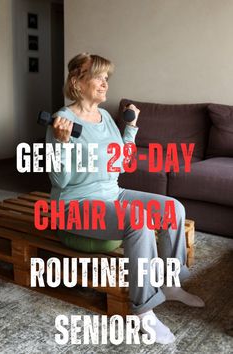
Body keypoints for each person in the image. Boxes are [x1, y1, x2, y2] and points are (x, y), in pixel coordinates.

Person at [46, 53, 204, 345]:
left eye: (108, 77)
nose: (105, 83)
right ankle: (143, 309)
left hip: (111, 192)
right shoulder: (62, 121)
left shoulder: (105, 116)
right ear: (77, 82)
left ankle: (170, 282)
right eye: (99, 76)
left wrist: (130, 129)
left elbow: (122, 163)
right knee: (138, 220)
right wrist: (61, 143)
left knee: (173, 208)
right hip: (75, 205)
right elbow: (59, 181)